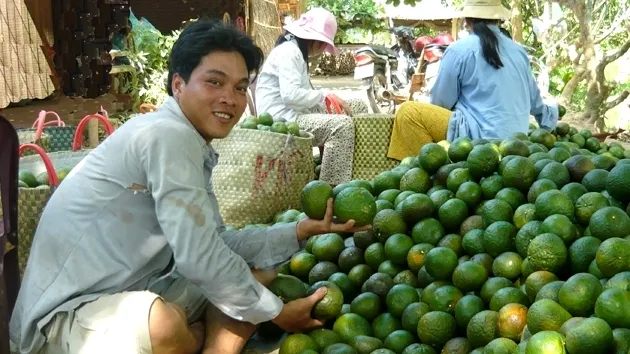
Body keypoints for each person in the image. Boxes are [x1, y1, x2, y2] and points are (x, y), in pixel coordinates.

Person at [10, 20, 368, 354]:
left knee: (255, 274)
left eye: (241, 87)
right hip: (61, 321)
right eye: (215, 82)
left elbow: (215, 243)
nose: (231, 97)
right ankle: (203, 342)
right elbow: (200, 257)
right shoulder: (168, 136)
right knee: (170, 321)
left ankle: (201, 338)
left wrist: (300, 231)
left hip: (137, 286)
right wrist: (277, 313)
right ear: (178, 84)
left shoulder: (186, 141)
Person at [387, 0, 559, 161]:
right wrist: (548, 121)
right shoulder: (519, 52)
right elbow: (536, 105)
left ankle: (429, 173)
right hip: (516, 144)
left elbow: (440, 103)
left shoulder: (459, 50)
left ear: (467, 20)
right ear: (498, 19)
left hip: (477, 142)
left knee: (408, 112)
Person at [255, 8, 366, 186]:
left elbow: (302, 96)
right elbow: (291, 96)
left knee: (356, 106)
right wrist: (324, 96)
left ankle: (358, 171)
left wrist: (326, 99)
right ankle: (331, 188)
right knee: (341, 126)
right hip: (282, 120)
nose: (323, 49)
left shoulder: (297, 52)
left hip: (295, 112)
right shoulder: (289, 52)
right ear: (312, 39)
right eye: (323, 44)